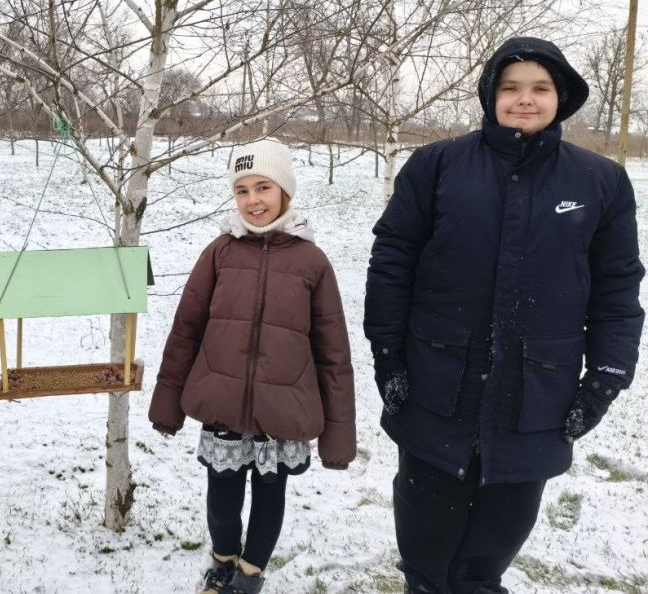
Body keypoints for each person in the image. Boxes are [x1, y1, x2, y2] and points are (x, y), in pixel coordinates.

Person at [364, 37, 645, 594]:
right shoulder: (438, 165)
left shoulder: (601, 182)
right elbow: (392, 261)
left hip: (537, 400)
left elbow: (617, 290)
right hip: (435, 388)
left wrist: (605, 381)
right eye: (510, 87)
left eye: (540, 88)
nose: (524, 99)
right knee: (426, 561)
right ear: (491, 95)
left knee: (483, 566)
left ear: (560, 97)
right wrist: (388, 354)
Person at [149, 138, 356, 594]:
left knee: (269, 496)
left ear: (284, 190)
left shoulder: (311, 262)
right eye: (242, 190)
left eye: (263, 187)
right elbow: (186, 330)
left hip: (282, 411)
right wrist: (167, 404)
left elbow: (333, 352)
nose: (253, 200)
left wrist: (338, 435)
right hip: (222, 404)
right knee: (222, 497)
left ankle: (251, 572)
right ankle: (224, 558)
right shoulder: (219, 253)